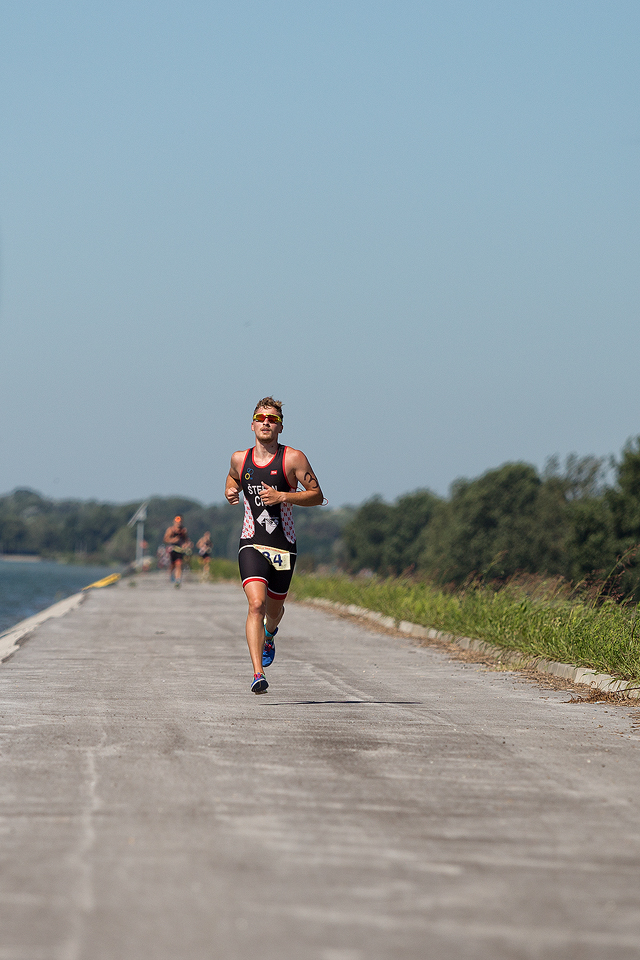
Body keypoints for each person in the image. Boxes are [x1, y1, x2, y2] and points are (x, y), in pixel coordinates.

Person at [225, 397, 323, 693]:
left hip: (283, 545)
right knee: (256, 604)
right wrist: (230, 490)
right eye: (261, 418)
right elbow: (233, 479)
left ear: (280, 426)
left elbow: (317, 495)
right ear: (252, 424)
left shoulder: (293, 458)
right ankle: (258, 673)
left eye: (273, 419)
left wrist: (282, 496)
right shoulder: (239, 458)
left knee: (274, 609)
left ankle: (269, 634)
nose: (266, 422)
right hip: (252, 542)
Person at [163, 515, 189, 587]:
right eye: (177, 522)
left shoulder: (183, 530)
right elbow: (165, 539)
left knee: (179, 564)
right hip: (172, 549)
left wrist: (186, 545)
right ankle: (171, 574)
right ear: (174, 522)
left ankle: (178, 579)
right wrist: (173, 540)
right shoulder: (170, 530)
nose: (178, 523)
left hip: (179, 550)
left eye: (180, 522)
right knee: (172, 564)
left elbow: (186, 540)